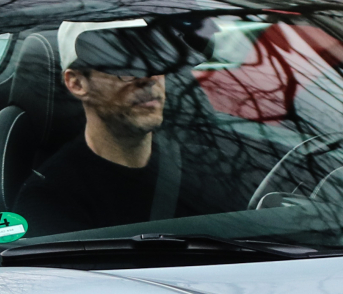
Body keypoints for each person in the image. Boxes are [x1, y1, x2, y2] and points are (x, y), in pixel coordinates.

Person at [13, 19, 222, 234]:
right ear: (77, 83)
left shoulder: (203, 166)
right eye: (125, 64)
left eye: (156, 59)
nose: (149, 77)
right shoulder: (51, 199)